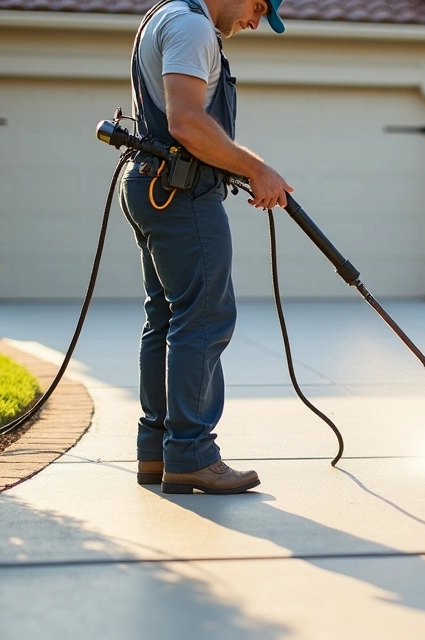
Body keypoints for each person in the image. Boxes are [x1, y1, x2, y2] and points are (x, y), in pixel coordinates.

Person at [119, 0, 292, 494]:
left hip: (156, 186)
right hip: (181, 194)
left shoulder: (166, 16)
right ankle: (192, 454)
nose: (256, 21)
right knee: (205, 316)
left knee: (169, 318)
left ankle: (158, 452)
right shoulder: (192, 27)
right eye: (259, 7)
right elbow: (187, 123)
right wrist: (256, 169)